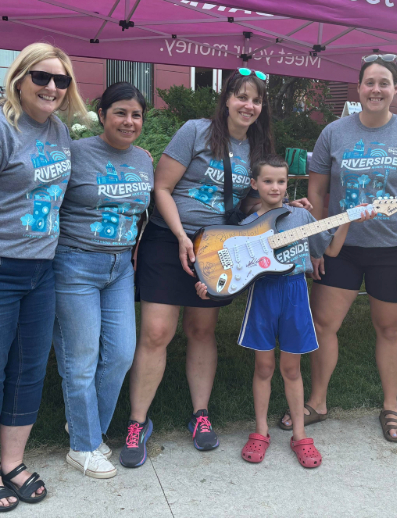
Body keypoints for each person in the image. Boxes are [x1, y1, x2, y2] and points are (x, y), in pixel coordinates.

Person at [123, 68, 308, 467]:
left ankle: (201, 415)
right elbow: (162, 187)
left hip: (218, 249)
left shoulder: (258, 149)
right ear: (226, 99)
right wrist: (180, 236)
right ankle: (137, 422)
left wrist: (284, 208)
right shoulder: (195, 131)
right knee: (157, 332)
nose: (249, 105)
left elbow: (246, 204)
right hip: (169, 240)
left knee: (201, 329)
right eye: (242, 96)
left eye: (256, 100)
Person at [0, 42, 87, 512]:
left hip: (39, 271)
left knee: (27, 372)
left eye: (60, 80)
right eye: (41, 77)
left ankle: (13, 461)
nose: (51, 87)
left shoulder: (59, 131)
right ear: (19, 78)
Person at [280, 55, 397, 441]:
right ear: (359, 87)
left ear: (395, 90)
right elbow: (316, 191)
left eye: (384, 83)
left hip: (393, 249)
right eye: (370, 82)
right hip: (339, 248)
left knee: (388, 328)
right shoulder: (334, 133)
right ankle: (318, 401)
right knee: (323, 325)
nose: (376, 90)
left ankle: (391, 406)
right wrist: (316, 244)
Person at [195, 155, 375, 467]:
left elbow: (328, 250)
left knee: (291, 369)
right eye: (267, 181)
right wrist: (211, 288)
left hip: (295, 294)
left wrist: (347, 220)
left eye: (281, 181)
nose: (275, 187)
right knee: (263, 368)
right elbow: (231, 272)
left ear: (287, 184)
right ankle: (261, 431)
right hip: (262, 297)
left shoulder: (301, 217)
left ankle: (301, 435)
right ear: (254, 184)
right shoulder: (246, 226)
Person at [53, 82, 154, 478]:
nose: (129, 122)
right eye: (121, 113)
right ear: (102, 114)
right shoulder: (75, 154)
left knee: (121, 355)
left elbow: (144, 211)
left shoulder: (144, 160)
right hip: (75, 265)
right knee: (80, 361)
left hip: (119, 270)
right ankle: (83, 444)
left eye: (136, 115)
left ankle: (83, 423)